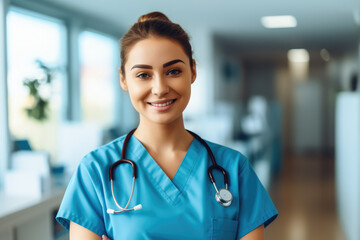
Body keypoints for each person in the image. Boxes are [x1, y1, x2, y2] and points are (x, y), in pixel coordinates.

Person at [56, 12, 278, 240]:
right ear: (123, 79)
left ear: (193, 71)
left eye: (173, 71)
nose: (160, 88)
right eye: (143, 75)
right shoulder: (95, 171)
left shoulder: (234, 169)